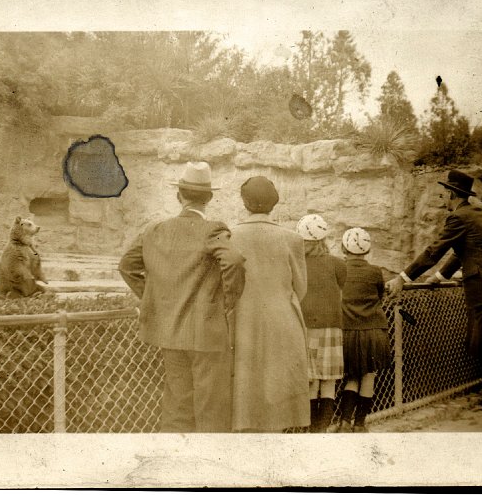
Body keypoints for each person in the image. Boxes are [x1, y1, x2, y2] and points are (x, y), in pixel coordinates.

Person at [118, 161, 246, 432]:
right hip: (207, 332)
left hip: (170, 331)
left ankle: (174, 467)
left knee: (177, 405)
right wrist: (227, 301)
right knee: (210, 408)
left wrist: (154, 298)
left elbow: (127, 266)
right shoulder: (213, 229)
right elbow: (233, 260)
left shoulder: (155, 230)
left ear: (179, 197)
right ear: (209, 198)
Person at [385, 169, 482, 408]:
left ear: (451, 194)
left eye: (444, 194)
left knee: (481, 344)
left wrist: (402, 278)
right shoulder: (477, 212)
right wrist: (440, 276)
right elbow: (464, 252)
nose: (443, 199)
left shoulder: (459, 217)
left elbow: (434, 251)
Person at [231, 176, 310, 432]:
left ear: (244, 202)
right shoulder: (292, 239)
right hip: (282, 321)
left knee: (245, 392)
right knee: (276, 393)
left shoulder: (230, 235)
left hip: (242, 320)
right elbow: (301, 288)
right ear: (274, 204)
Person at [327, 227, 391, 433]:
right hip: (373, 331)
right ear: (367, 249)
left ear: (344, 248)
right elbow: (381, 296)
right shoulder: (375, 272)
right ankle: (360, 424)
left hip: (348, 331)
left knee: (352, 377)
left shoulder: (340, 269)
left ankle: (345, 421)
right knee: (368, 376)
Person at [295, 214, 347, 432]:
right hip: (331, 327)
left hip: (304, 327)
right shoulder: (338, 264)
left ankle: (307, 430)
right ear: (324, 238)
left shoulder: (298, 264)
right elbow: (341, 288)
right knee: (328, 382)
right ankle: (321, 430)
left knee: (310, 381)